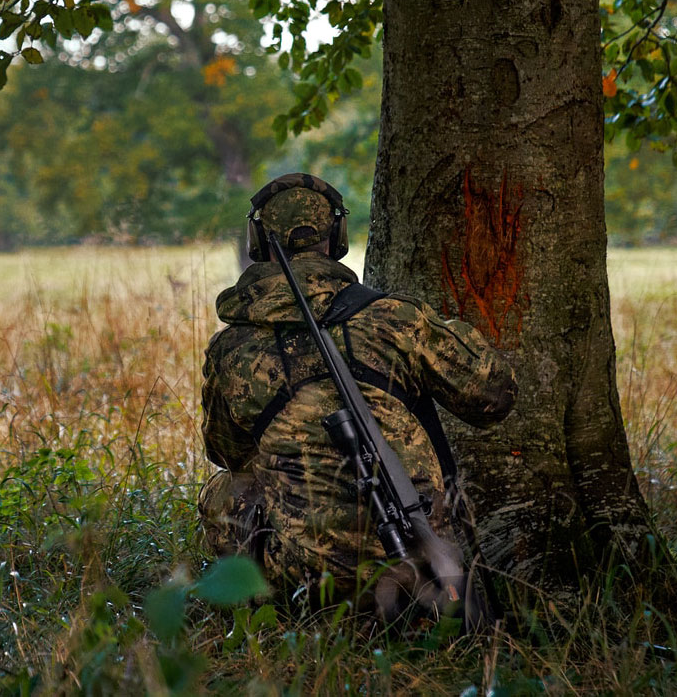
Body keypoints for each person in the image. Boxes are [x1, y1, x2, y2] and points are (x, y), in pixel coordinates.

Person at [199, 172, 516, 615]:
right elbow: (495, 395)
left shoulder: (230, 349)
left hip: (304, 579)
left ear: (260, 243)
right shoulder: (395, 319)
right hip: (420, 565)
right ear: (338, 237)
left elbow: (226, 452)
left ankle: (259, 610)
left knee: (226, 492)